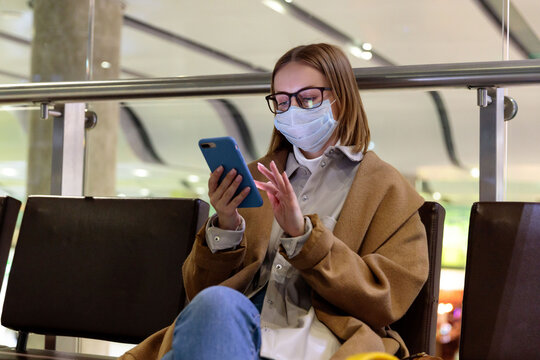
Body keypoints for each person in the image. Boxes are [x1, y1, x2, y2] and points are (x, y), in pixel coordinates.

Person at [119, 43, 428, 360]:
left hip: (319, 343)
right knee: (217, 305)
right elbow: (200, 294)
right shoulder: (253, 177)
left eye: (307, 98)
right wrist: (227, 224)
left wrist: (304, 237)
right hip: (228, 335)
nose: (292, 111)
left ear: (342, 98)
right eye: (281, 102)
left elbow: (385, 301)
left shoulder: (387, 191)